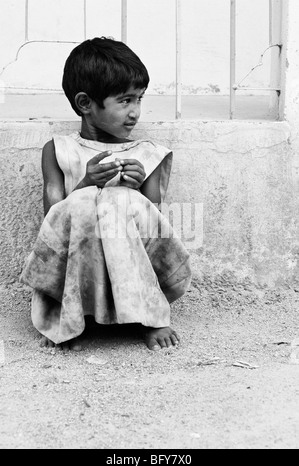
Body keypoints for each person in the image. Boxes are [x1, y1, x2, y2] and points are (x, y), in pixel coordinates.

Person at [20, 37, 191, 352]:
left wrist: (136, 191)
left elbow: (154, 224)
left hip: (131, 257)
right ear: (86, 103)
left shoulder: (147, 154)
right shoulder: (59, 150)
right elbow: (53, 217)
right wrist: (85, 184)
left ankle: (150, 316)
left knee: (120, 202)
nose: (135, 112)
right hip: (78, 256)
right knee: (87, 203)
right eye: (125, 101)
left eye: (139, 99)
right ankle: (70, 313)